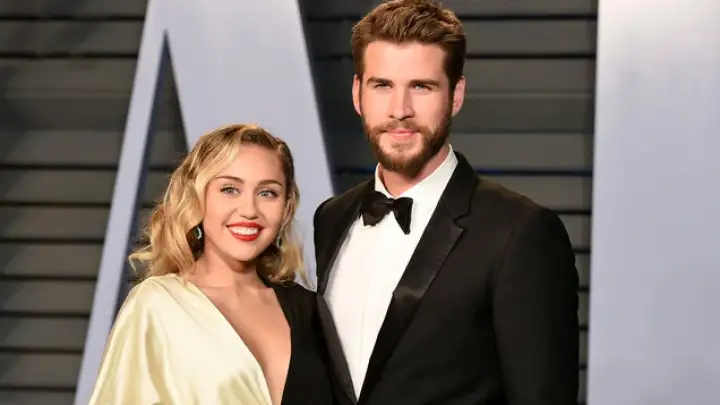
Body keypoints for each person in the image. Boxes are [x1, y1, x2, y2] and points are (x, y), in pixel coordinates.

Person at [312, 1, 580, 404]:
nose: (399, 110)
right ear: (357, 93)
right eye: (382, 85)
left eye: (422, 86)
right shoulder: (331, 219)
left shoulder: (519, 232)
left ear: (456, 95)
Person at [88, 124, 336, 405]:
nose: (249, 210)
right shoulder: (157, 305)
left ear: (287, 206)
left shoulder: (309, 309)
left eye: (267, 193)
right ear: (197, 198)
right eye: (230, 189)